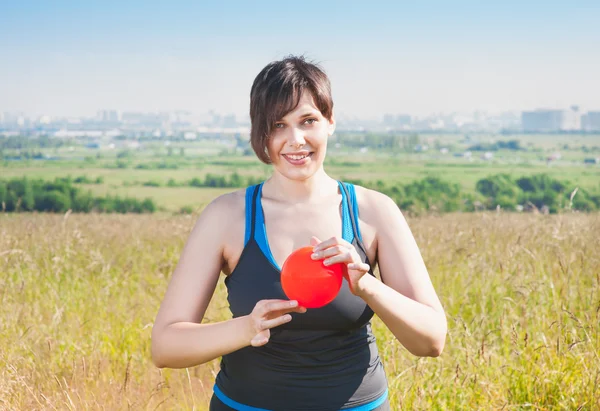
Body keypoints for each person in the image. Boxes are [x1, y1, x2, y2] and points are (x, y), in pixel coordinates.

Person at [151, 55, 447, 410]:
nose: (295, 140)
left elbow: (431, 341)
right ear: (259, 132)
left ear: (330, 121)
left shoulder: (373, 212)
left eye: (308, 121)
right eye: (277, 125)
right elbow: (165, 346)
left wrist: (367, 286)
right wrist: (247, 329)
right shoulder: (226, 216)